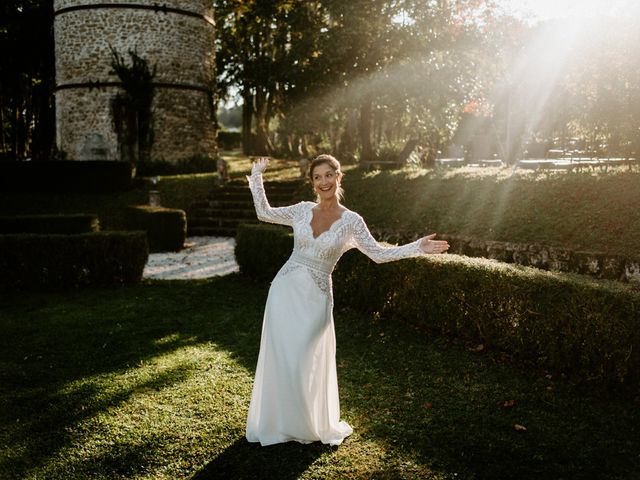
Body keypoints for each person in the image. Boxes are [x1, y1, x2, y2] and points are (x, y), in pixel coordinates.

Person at [245, 154, 449, 447]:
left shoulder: (352, 221)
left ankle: (307, 424)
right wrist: (256, 177)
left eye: (328, 175)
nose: (323, 182)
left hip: (316, 296)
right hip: (284, 290)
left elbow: (378, 254)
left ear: (338, 177)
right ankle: (279, 424)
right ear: (312, 183)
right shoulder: (302, 210)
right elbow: (264, 212)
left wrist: (418, 247)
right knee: (283, 358)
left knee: (305, 356)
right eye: (317, 177)